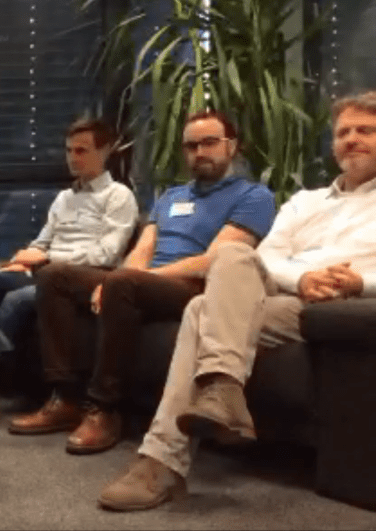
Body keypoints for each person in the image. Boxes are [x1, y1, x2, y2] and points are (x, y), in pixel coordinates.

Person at [98, 91, 376, 511]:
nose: (351, 139)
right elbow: (268, 257)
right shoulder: (306, 201)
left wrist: (360, 283)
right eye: (343, 132)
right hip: (287, 295)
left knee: (199, 309)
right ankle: (222, 390)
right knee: (231, 254)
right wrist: (302, 278)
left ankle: (162, 460)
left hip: (343, 308)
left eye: (365, 130)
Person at [9, 110, 277, 456]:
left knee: (124, 284)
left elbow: (214, 260)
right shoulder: (171, 197)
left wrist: (130, 278)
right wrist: (121, 276)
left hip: (195, 287)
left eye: (210, 143)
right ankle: (66, 397)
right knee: (54, 275)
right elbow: (143, 249)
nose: (200, 152)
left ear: (232, 146)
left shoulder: (253, 196)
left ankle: (105, 408)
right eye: (191, 146)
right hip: (145, 282)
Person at [0, 118, 138, 356]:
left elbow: (106, 255)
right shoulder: (65, 198)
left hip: (86, 278)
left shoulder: (118, 196)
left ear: (104, 151)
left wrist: (46, 259)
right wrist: (22, 262)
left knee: (16, 300)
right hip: (43, 274)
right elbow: (41, 244)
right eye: (69, 150)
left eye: (81, 151)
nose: (72, 157)